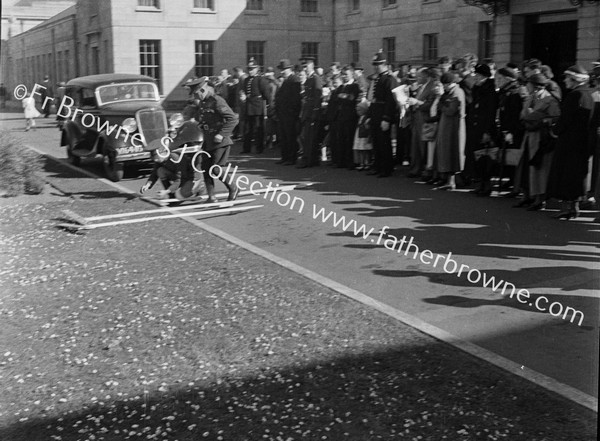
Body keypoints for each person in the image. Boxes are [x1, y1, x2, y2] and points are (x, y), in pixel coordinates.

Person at [547, 65, 595, 219]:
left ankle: (568, 208)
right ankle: (574, 206)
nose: (565, 81)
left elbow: (565, 120)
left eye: (567, 78)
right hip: (583, 141)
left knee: (566, 174)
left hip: (569, 141)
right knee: (577, 174)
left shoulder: (574, 95)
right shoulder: (589, 94)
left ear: (574, 79)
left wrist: (555, 130)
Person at [183, 76, 240, 203]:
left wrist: (222, 134)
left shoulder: (217, 101)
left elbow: (233, 119)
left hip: (220, 141)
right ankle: (211, 196)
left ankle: (233, 188)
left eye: (196, 94)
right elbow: (204, 118)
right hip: (209, 140)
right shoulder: (203, 102)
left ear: (202, 90)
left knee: (215, 168)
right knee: (205, 167)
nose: (195, 98)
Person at [513, 74, 560, 211]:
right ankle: (526, 196)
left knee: (539, 168)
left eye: (529, 83)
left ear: (535, 85)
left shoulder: (550, 100)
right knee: (525, 167)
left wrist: (541, 121)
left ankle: (540, 199)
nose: (526, 86)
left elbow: (556, 118)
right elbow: (523, 115)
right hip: (528, 136)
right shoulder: (530, 98)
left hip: (540, 138)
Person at [467, 63, 498, 195]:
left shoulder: (490, 89)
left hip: (484, 128)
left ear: (484, 76)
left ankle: (487, 185)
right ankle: (480, 183)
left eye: (478, 75)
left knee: (485, 158)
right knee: (477, 156)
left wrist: (487, 131)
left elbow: (490, 112)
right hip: (475, 126)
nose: (476, 77)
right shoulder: (477, 88)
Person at [433, 72, 465, 190]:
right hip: (447, 126)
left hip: (453, 127)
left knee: (452, 153)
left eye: (446, 84)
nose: (445, 87)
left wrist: (441, 102)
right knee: (447, 153)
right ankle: (449, 181)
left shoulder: (457, 92)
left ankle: (452, 182)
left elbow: (451, 110)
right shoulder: (450, 92)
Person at [495, 67, 524, 196]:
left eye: (499, 78)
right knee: (510, 158)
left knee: (516, 158)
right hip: (506, 130)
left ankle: (516, 187)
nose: (497, 81)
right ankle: (512, 183)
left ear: (508, 79)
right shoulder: (505, 92)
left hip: (514, 131)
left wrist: (510, 131)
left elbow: (515, 115)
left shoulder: (515, 92)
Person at [406, 67, 438, 178]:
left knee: (423, 146)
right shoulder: (421, 87)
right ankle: (416, 169)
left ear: (427, 77)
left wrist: (416, 102)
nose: (417, 78)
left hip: (425, 120)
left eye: (419, 76)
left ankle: (426, 170)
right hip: (416, 119)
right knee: (415, 145)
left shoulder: (432, 87)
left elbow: (430, 105)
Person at [329, 65, 361, 169]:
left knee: (349, 139)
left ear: (351, 74)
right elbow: (336, 99)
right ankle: (341, 161)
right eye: (343, 74)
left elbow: (352, 98)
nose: (344, 76)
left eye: (346, 74)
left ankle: (349, 161)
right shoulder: (341, 87)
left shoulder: (354, 86)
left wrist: (344, 96)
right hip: (340, 116)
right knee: (341, 139)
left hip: (350, 117)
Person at [296, 56, 323, 168]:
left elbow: (318, 97)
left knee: (310, 138)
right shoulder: (309, 78)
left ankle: (309, 160)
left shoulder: (316, 78)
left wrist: (315, 112)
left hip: (312, 112)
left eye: (306, 66)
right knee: (307, 137)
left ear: (311, 65)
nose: (304, 68)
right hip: (308, 111)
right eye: (303, 66)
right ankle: (310, 159)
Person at [274, 59, 302, 165]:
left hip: (289, 114)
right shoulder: (287, 80)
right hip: (283, 113)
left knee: (290, 136)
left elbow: (295, 98)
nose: (282, 72)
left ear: (289, 69)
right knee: (284, 136)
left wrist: (292, 112)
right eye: (281, 69)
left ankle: (291, 158)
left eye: (284, 69)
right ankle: (285, 157)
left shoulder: (294, 79)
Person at [241, 58, 271, 154]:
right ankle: (246, 148)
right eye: (249, 69)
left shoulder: (261, 80)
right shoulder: (246, 80)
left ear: (257, 69)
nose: (250, 70)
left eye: (252, 69)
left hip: (258, 107)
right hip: (249, 106)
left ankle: (259, 148)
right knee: (247, 129)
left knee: (258, 129)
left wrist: (269, 106)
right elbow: (245, 92)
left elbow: (266, 94)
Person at [353, 100, 373, 170]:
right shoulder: (360, 118)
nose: (358, 112)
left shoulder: (366, 118)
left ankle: (367, 163)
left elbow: (367, 127)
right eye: (357, 111)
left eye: (360, 110)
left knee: (366, 150)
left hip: (364, 135)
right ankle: (362, 163)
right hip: (359, 134)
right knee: (361, 150)